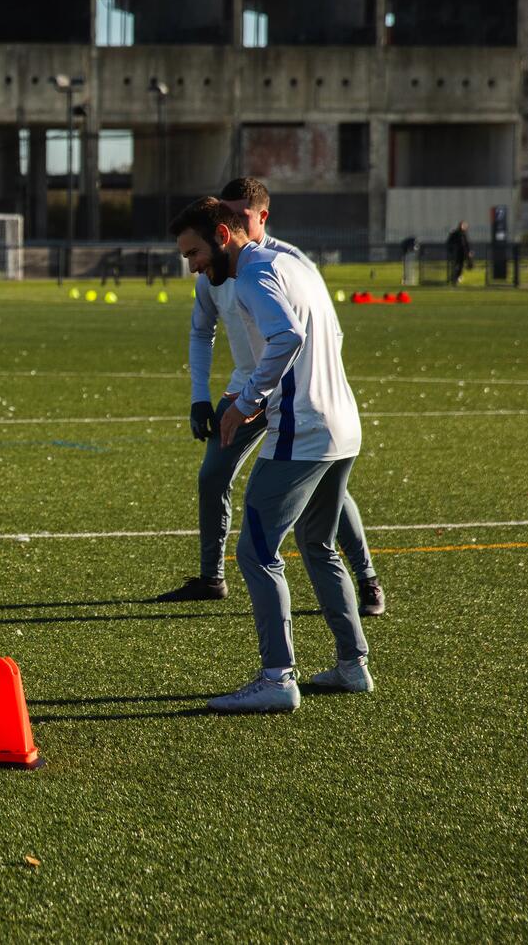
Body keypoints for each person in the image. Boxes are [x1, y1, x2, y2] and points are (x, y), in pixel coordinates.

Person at [170, 198, 374, 713]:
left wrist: (247, 400)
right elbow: (328, 334)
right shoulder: (294, 264)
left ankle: (277, 677)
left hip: (300, 431)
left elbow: (288, 336)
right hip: (342, 426)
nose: (192, 265)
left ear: (222, 234)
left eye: (194, 252)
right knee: (318, 543)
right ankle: (353, 666)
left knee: (257, 553)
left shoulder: (256, 273)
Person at [446, 221, 473, 285]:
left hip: (463, 253)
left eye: (465, 226)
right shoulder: (455, 233)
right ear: (460, 226)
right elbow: (449, 242)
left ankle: (456, 278)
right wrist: (451, 250)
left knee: (461, 266)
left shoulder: (464, 234)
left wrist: (469, 252)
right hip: (456, 253)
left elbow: (467, 244)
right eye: (464, 225)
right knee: (456, 266)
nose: (465, 227)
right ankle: (454, 279)